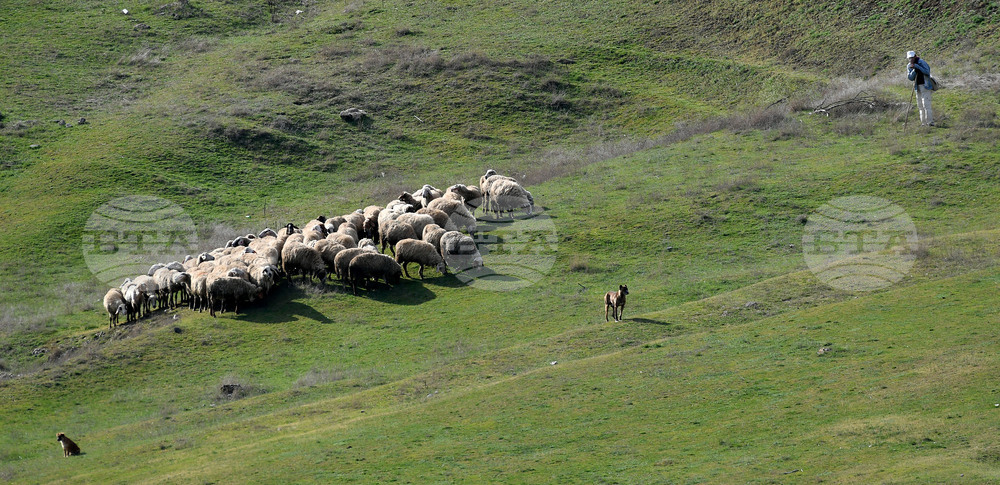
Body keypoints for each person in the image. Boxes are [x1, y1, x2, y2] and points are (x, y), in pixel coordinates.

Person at [906, 50, 934, 126]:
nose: (911, 59)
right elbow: (910, 78)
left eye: (912, 58)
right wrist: (914, 70)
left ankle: (930, 122)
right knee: (920, 106)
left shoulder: (921, 62)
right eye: (909, 58)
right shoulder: (909, 65)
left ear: (915, 56)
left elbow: (927, 72)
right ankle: (923, 123)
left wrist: (918, 67)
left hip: (925, 85)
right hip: (917, 87)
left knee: (926, 104)